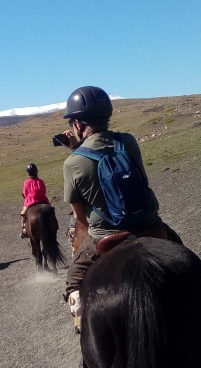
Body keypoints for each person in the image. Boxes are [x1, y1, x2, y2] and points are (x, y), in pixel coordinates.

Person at [60, 86, 167, 312]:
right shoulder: (129, 142)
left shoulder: (73, 163)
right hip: (149, 224)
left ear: (77, 124)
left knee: (74, 279)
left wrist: (75, 150)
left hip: (105, 235)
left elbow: (80, 216)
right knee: (185, 257)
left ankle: (78, 315)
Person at [20, 163, 50, 238]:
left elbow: (25, 193)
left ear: (28, 173)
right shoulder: (41, 181)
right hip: (43, 200)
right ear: (37, 171)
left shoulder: (26, 182)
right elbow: (44, 191)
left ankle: (24, 230)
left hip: (31, 202)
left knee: (23, 214)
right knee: (50, 210)